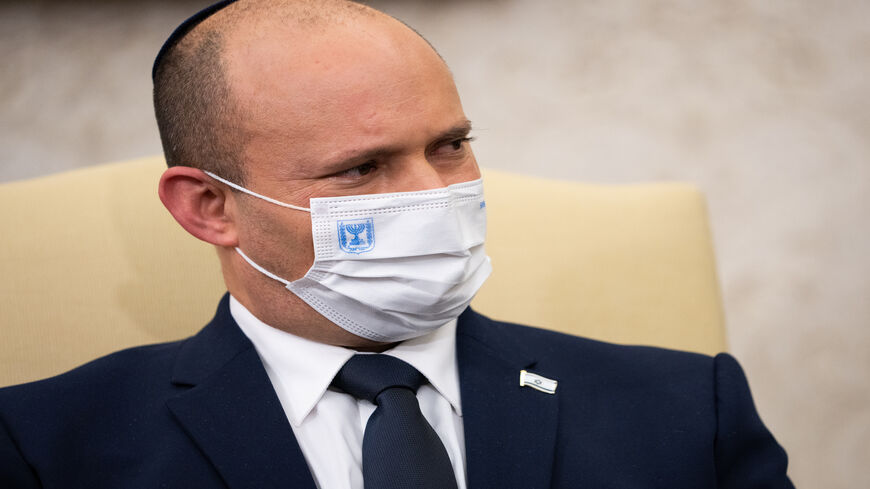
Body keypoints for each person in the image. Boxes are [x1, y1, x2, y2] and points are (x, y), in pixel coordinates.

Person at [0, 1, 794, 488]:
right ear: (209, 207)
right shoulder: (45, 445)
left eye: (450, 146)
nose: (431, 194)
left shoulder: (691, 410)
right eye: (362, 167)